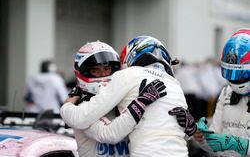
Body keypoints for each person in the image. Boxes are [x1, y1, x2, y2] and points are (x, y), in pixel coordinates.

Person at [60, 36, 189, 156]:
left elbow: (156, 129)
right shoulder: (82, 107)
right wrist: (66, 105)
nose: (103, 75)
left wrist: (187, 127)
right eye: (95, 70)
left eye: (107, 69)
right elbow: (110, 133)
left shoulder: (125, 97)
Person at [192, 29, 250, 157]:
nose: (235, 79)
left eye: (241, 74)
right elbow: (216, 144)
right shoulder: (226, 92)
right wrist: (203, 137)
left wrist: (240, 145)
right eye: (231, 73)